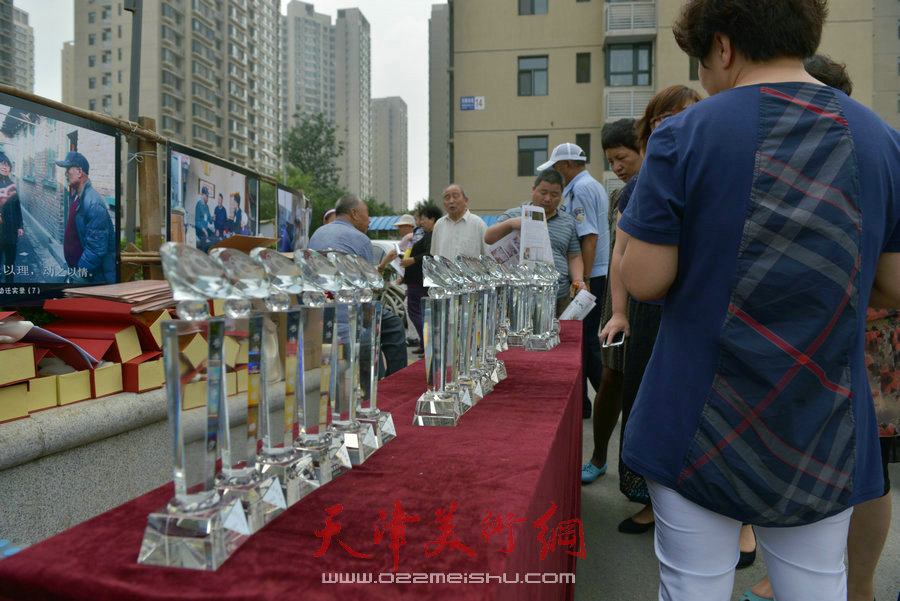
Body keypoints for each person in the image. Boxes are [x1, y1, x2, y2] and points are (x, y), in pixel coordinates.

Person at [617, 1, 900, 599]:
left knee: (693, 586)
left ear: (722, 47)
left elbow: (645, 281)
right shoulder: (880, 139)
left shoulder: (683, 135)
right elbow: (894, 284)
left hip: (698, 412)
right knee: (818, 585)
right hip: (823, 417)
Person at [741, 53, 892, 601]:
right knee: (842, 463)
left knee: (862, 469)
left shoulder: (861, 149)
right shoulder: (870, 145)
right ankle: (824, 578)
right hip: (848, 327)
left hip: (861, 336)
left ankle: (855, 583)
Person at [600, 86, 702, 535]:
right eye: (662, 119)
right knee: (647, 406)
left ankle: (721, 513)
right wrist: (619, 312)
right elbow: (620, 254)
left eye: (685, 115)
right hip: (650, 314)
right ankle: (651, 502)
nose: (673, 125)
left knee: (699, 411)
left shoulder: (717, 170)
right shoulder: (642, 184)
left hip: (701, 312)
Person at [582, 119, 643, 484]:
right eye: (611, 160)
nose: (617, 167)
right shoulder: (622, 194)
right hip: (621, 297)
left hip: (653, 295)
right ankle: (600, 455)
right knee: (611, 378)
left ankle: (635, 471)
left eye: (622, 158)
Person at [538, 143, 609, 419]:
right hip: (594, 273)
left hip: (591, 275)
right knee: (583, 341)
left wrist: (585, 279)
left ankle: (605, 399)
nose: (556, 176)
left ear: (567, 165)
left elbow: (588, 237)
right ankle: (585, 404)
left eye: (557, 169)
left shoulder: (579, 189)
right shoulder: (592, 185)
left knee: (583, 342)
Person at [309, 194, 406, 377]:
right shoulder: (360, 239)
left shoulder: (317, 234)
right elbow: (366, 291)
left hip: (320, 313)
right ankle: (392, 381)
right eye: (367, 214)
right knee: (392, 326)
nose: (369, 220)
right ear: (354, 213)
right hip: (351, 315)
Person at [484, 168, 586, 315]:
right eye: (543, 192)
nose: (547, 199)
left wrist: (578, 280)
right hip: (518, 297)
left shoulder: (567, 222)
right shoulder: (515, 214)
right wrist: (510, 224)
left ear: (561, 196)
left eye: (554, 194)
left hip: (558, 295)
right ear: (533, 189)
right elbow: (488, 237)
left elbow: (574, 256)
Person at [55, 151, 116, 283]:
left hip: (87, 274)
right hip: (75, 267)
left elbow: (96, 248)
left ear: (79, 171)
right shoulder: (76, 196)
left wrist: (81, 272)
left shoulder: (93, 202)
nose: (66, 174)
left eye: (68, 169)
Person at [400, 203, 443, 354]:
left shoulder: (433, 236)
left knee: (416, 311)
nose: (422, 222)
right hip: (417, 279)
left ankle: (427, 343)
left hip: (420, 279)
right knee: (421, 311)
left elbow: (430, 254)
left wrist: (412, 260)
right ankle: (425, 343)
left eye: (424, 218)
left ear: (433, 219)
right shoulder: (427, 235)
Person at [430, 184, 487, 259]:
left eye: (455, 196)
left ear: (466, 201)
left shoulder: (478, 224)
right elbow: (435, 254)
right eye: (447, 198)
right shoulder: (439, 225)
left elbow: (488, 254)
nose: (451, 201)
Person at [0, 152, 23, 283]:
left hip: (11, 231)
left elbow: (17, 208)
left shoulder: (12, 185)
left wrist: (20, 226)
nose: (5, 167)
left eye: (7, 165)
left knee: (10, 261)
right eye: (2, 164)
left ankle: (9, 285)